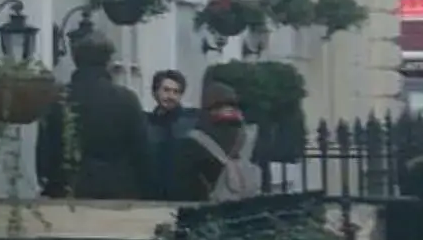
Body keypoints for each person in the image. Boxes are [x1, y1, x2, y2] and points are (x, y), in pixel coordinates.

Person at [37, 33, 151, 199]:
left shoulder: (57, 100)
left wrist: (50, 183)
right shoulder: (126, 99)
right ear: (108, 62)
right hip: (118, 190)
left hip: (67, 189)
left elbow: (44, 153)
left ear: (76, 60)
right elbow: (142, 153)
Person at [179, 78, 263, 201]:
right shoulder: (251, 133)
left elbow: (188, 183)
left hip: (214, 209)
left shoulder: (197, 137)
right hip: (248, 208)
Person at [140, 69, 195, 200]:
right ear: (155, 92)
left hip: (184, 196)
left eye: (176, 92)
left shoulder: (191, 122)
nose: (171, 96)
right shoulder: (144, 123)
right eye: (166, 90)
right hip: (151, 195)